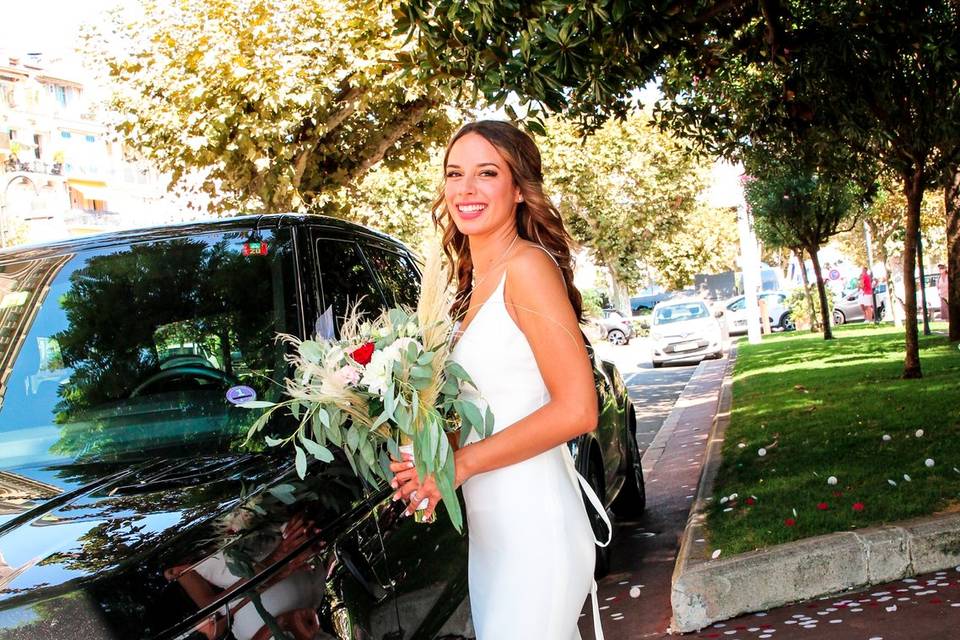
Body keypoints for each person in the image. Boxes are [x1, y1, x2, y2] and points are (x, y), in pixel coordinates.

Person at [389, 121, 609, 640]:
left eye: (487, 173)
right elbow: (479, 409)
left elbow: (579, 408)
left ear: (517, 189)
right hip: (493, 534)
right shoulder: (462, 287)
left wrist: (460, 464)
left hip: (536, 524)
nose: (466, 189)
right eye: (454, 174)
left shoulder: (528, 268)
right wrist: (431, 457)